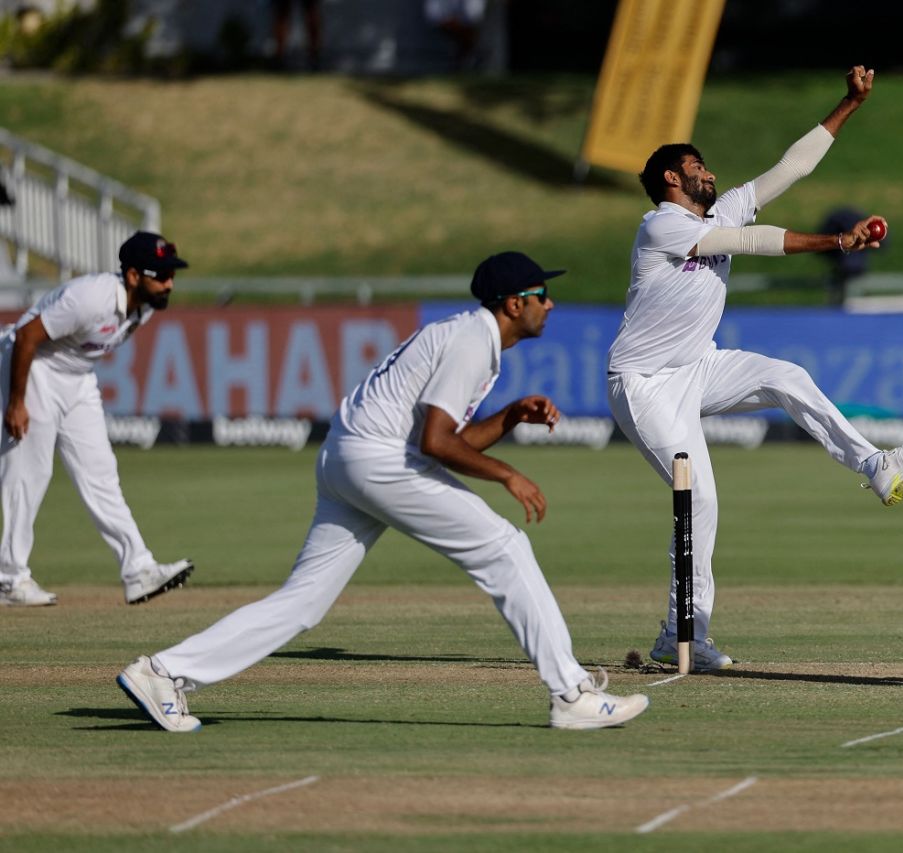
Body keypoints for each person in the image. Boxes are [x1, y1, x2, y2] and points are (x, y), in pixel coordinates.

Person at [117, 252, 649, 732]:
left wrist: (509, 416)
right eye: (540, 296)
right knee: (505, 547)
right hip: (377, 460)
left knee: (303, 604)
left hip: (347, 458)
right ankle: (570, 693)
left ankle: (162, 672)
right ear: (514, 304)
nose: (550, 304)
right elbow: (437, 443)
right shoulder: (471, 340)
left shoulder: (470, 336)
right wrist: (507, 474)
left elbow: (449, 437)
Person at [606, 66, 903, 672]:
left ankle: (876, 466)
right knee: (700, 497)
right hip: (644, 382)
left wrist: (849, 104)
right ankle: (683, 633)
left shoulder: (716, 213)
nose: (708, 172)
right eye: (697, 166)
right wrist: (837, 244)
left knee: (784, 375)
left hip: (698, 366)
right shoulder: (661, 225)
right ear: (669, 179)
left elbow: (792, 168)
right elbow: (753, 242)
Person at [0, 232, 195, 607]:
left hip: (77, 377)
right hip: (33, 365)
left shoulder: (146, 306)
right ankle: (9, 579)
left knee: (101, 472)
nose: (170, 283)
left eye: (173, 274)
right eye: (162, 275)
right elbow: (25, 337)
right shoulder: (91, 297)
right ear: (134, 276)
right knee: (29, 472)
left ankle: (139, 571)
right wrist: (15, 402)